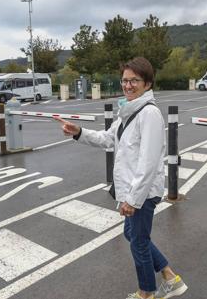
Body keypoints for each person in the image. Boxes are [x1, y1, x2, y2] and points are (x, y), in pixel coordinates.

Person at [54, 57, 188, 299]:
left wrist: (133, 200)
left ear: (147, 84)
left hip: (143, 193)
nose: (128, 85)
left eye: (134, 80)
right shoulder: (129, 111)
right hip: (134, 191)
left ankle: (146, 293)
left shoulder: (149, 114)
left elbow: (148, 163)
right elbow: (108, 138)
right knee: (133, 235)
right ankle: (169, 275)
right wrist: (79, 132)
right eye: (125, 80)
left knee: (138, 242)